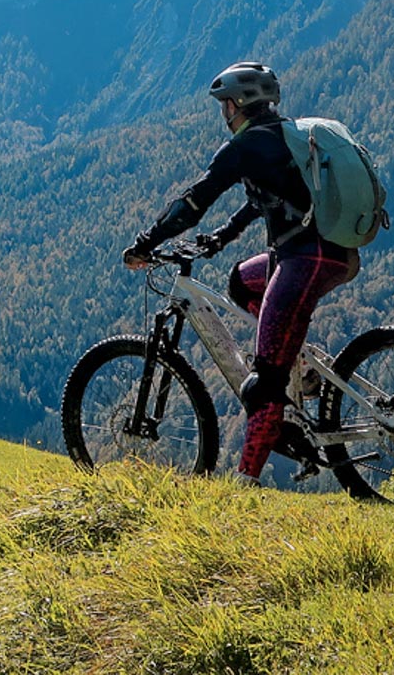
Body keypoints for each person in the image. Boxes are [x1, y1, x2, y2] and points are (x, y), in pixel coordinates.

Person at [124, 60, 360, 485]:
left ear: (237, 104)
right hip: (331, 253)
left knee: (262, 386)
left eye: (224, 104)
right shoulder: (283, 136)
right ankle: (297, 364)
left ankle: (244, 485)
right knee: (241, 282)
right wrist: (222, 238)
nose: (222, 112)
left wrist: (146, 242)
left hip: (305, 260)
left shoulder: (244, 146)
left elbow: (193, 202)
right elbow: (262, 198)